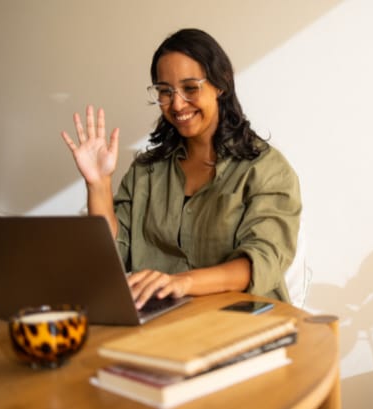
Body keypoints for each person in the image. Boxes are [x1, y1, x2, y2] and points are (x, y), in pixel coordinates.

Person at [61, 28, 301, 309]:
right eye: (165, 92)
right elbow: (111, 257)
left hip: (240, 323)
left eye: (190, 88)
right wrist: (98, 184)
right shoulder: (146, 171)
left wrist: (182, 282)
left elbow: (262, 261)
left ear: (220, 84)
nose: (176, 104)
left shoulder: (266, 169)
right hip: (160, 321)